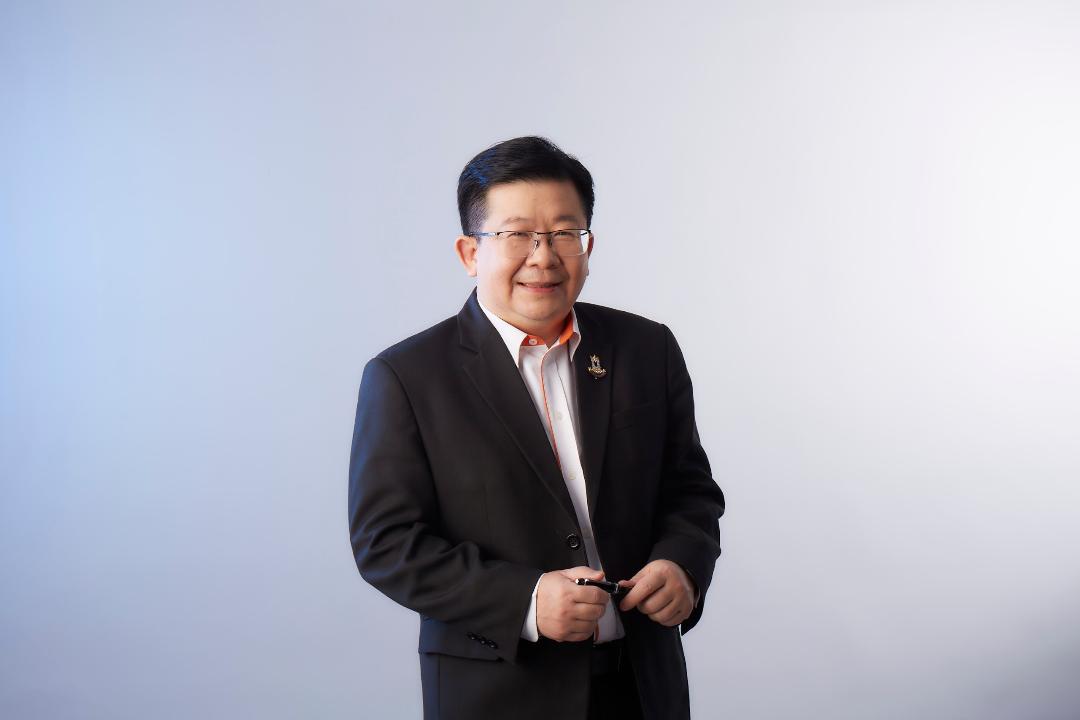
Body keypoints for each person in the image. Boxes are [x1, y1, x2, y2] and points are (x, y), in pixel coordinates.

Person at [348, 136, 725, 720]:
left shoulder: (646, 348)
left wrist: (683, 564)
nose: (543, 257)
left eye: (564, 233)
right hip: (501, 691)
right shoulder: (407, 376)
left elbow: (690, 489)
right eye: (517, 234)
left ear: (588, 245)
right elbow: (386, 542)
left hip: (642, 685)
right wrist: (524, 599)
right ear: (470, 253)